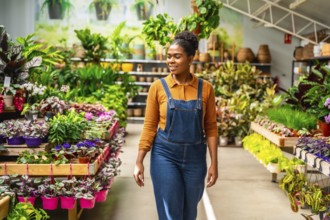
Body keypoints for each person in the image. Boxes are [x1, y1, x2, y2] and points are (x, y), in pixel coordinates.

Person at [133, 31, 218, 220]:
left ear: (190, 58)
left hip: (196, 157)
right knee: (171, 211)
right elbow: (149, 126)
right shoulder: (157, 87)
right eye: (169, 56)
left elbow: (211, 127)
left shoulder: (205, 88)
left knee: (189, 212)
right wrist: (139, 161)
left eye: (177, 56)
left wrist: (214, 163)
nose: (171, 61)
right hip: (165, 155)